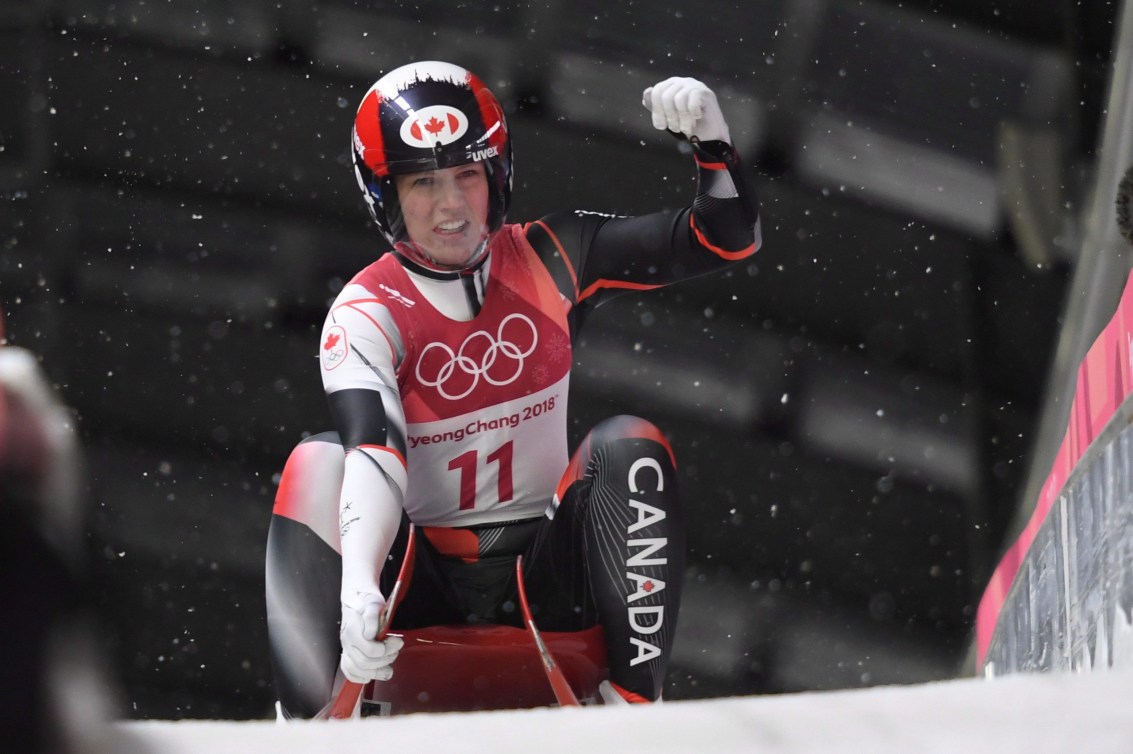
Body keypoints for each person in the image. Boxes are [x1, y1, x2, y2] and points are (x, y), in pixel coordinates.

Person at [266, 60, 761, 718]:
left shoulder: (555, 254)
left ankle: (635, 710)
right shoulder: (363, 312)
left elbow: (722, 239)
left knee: (629, 447)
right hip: (414, 581)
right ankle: (312, 721)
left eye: (466, 175)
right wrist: (359, 585)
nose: (449, 205)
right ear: (384, 194)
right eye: (423, 183)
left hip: (546, 579)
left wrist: (714, 146)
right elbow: (372, 449)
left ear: (496, 176)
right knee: (317, 460)